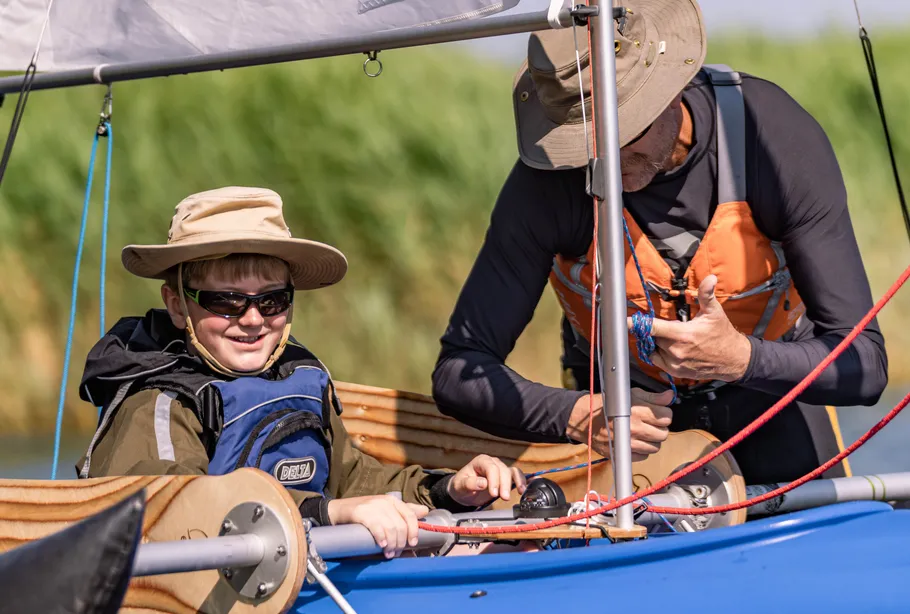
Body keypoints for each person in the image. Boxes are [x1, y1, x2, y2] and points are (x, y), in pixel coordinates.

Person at [432, 0, 888, 485]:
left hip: (771, 407)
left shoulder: (773, 140)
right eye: (581, 145)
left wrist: (741, 359)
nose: (600, 163)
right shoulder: (549, 180)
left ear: (670, 95)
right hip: (625, 438)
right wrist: (575, 415)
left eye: (622, 137)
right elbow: (458, 371)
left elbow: (866, 365)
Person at [77, 186, 527, 559]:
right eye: (226, 301)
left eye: (272, 300)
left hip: (307, 572)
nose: (252, 319)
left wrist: (449, 489)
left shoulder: (301, 376)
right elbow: (176, 511)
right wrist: (329, 514)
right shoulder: (158, 402)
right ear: (177, 305)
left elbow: (353, 481)